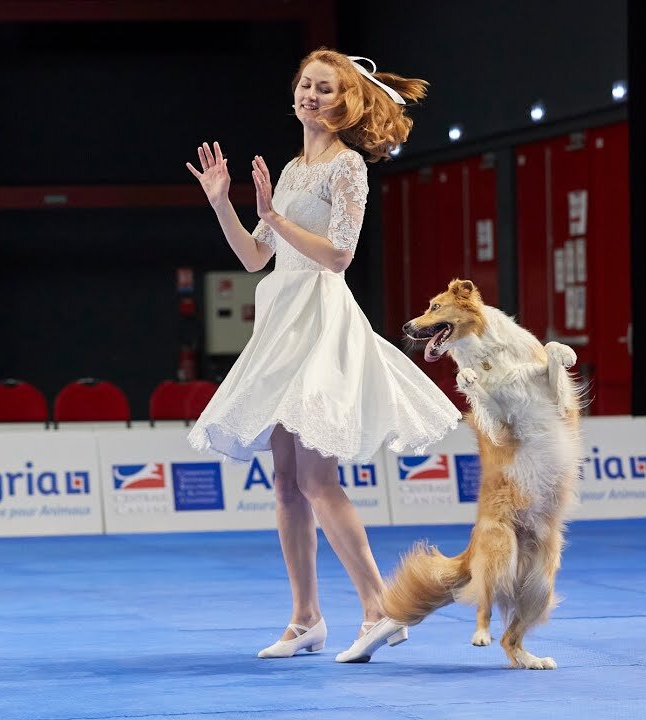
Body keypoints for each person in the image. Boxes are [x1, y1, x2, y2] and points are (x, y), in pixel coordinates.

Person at [184, 48, 461, 663]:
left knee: (314, 476)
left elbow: (338, 256)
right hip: (280, 320)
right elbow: (256, 258)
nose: (311, 94)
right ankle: (306, 617)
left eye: (325, 89)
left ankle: (378, 608)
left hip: (321, 320)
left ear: (345, 103)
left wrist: (274, 217)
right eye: (306, 84)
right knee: (284, 482)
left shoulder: (348, 168)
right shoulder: (288, 168)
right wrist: (223, 203)